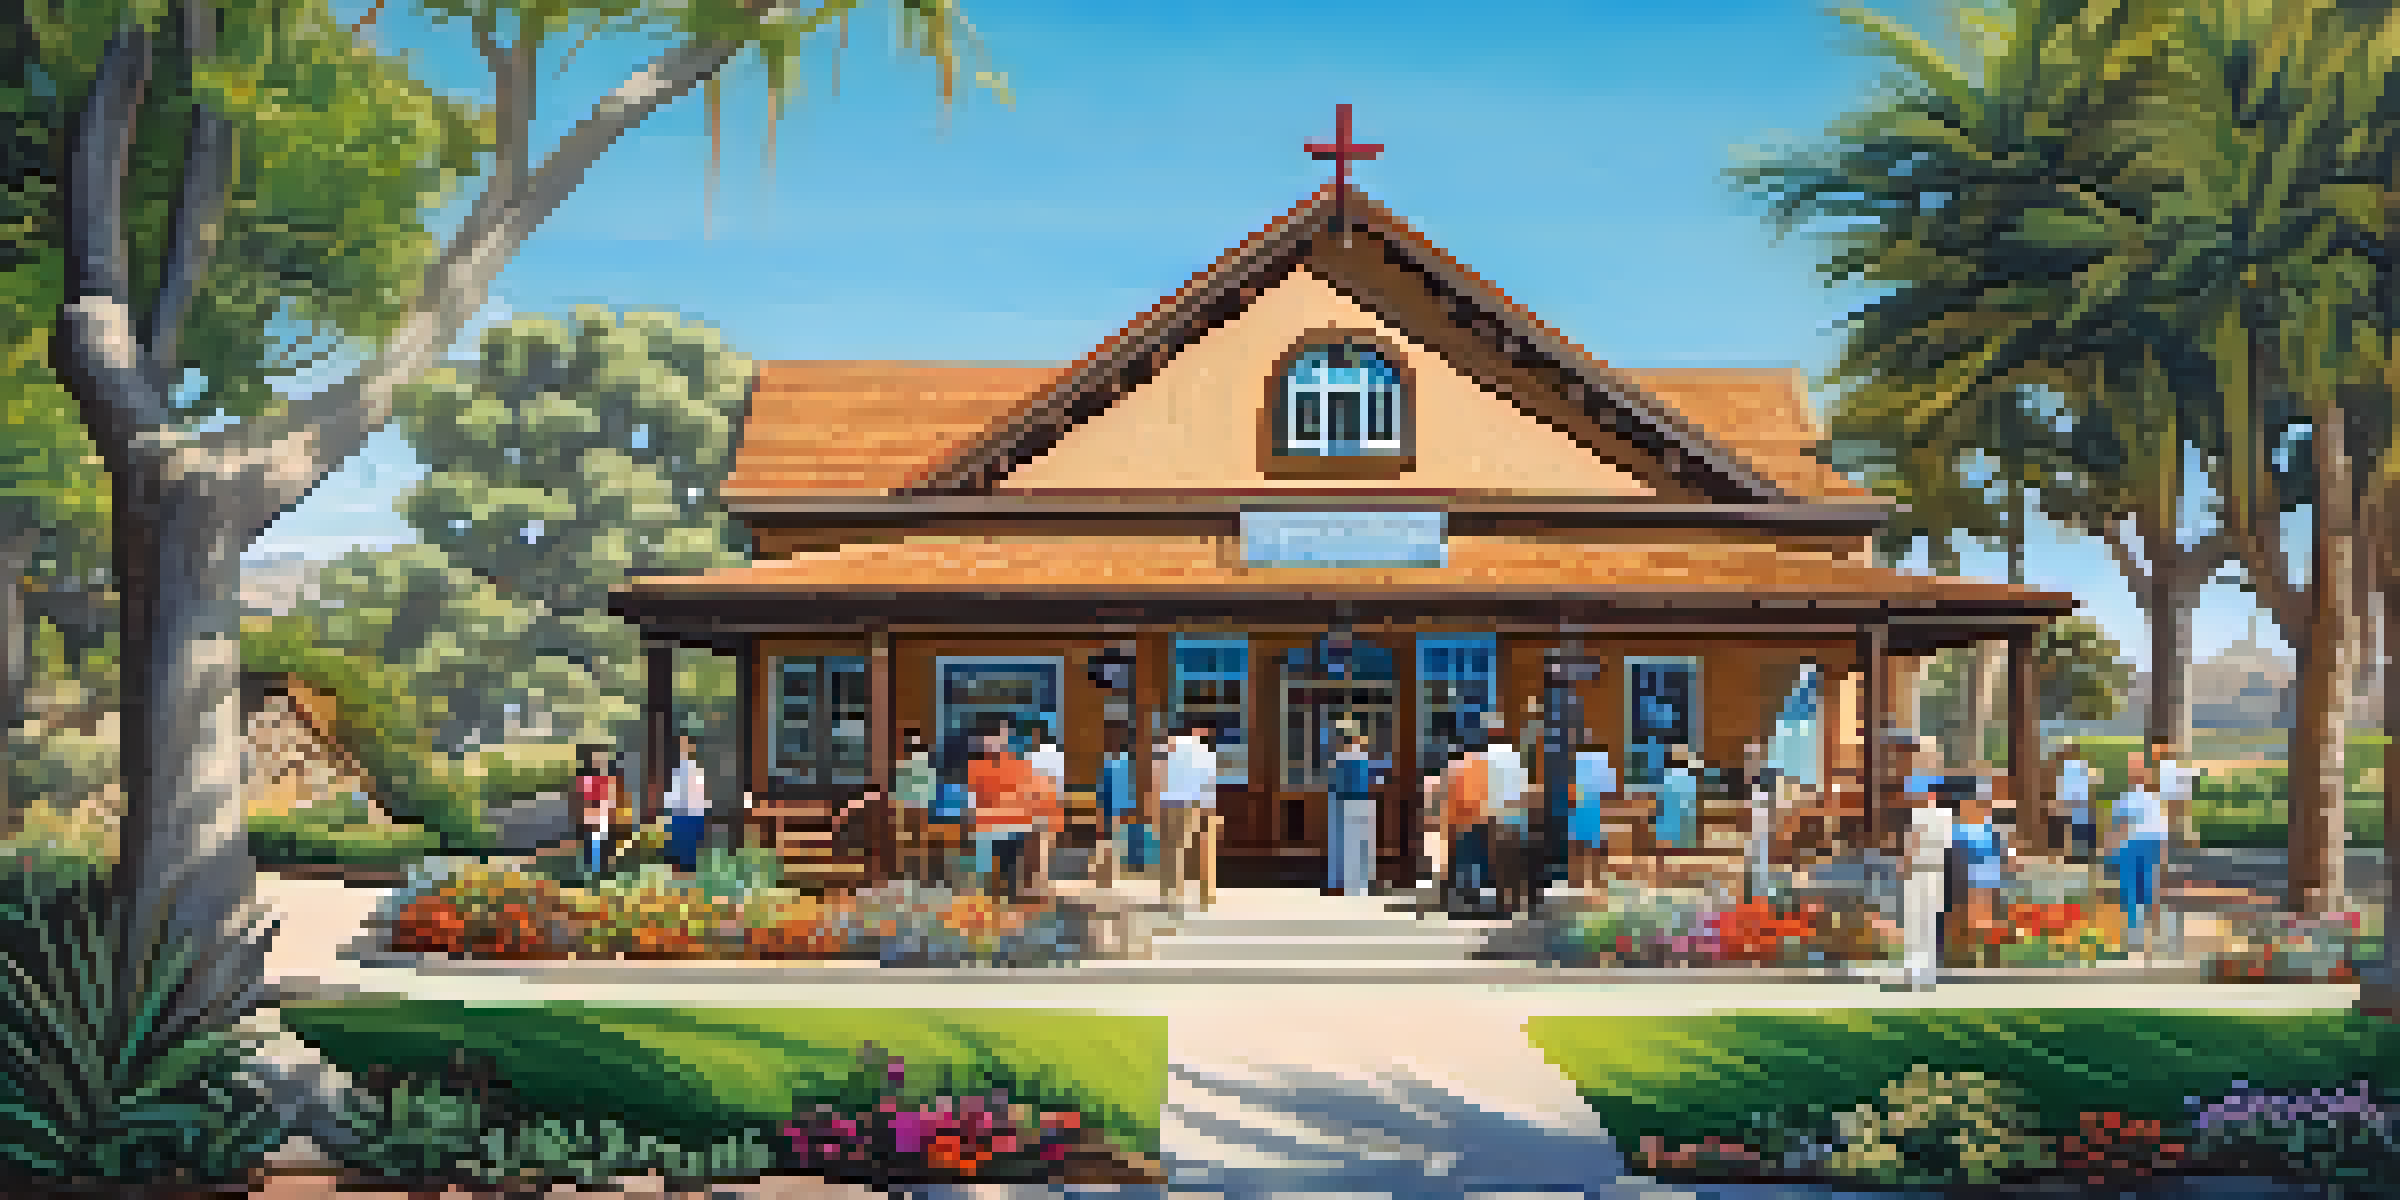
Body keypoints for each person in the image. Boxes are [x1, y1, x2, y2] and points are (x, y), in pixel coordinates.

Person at [1895, 741, 1953, 991]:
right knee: (1928, 922)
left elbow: (1913, 844)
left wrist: (1905, 865)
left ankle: (1915, 971)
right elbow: (1945, 847)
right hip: (1936, 872)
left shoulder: (1920, 815)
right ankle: (1926, 972)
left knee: (1916, 921)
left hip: (1920, 872)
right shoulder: (1945, 816)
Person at [965, 719, 1039, 901]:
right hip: (993, 825)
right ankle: (994, 891)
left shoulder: (1019, 765)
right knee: (990, 861)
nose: (993, 743)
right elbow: (976, 799)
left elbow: (1026, 795)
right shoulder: (977, 767)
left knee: (1010, 860)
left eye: (999, 738)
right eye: (989, 740)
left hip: (1012, 824)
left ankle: (1009, 891)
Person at [1951, 776, 2016, 965]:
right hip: (1971, 881)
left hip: (1990, 879)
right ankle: (1973, 949)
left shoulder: (1989, 830)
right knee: (1976, 914)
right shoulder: (1959, 831)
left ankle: (1988, 949)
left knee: (1987, 913)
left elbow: (2000, 852)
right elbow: (1959, 858)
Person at [2112, 751, 2171, 953]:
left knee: (2141, 888)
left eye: (2136, 767)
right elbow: (2119, 825)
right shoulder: (2141, 798)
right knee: (2139, 888)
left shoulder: (2145, 798)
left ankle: (2144, 933)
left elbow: (2120, 825)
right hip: (2138, 845)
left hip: (2140, 845)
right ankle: (2141, 933)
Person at [1159, 720, 1221, 909]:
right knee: (1205, 852)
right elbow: (1210, 783)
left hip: (1172, 804)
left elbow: (1159, 776)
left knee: (1173, 852)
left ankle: (1172, 897)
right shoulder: (1207, 753)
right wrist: (1212, 811)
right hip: (1199, 804)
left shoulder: (1171, 746)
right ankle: (1206, 896)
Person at [1484, 712, 1534, 915]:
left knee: (1500, 860)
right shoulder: (1514, 755)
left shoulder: (1490, 755)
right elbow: (1524, 785)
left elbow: (1488, 788)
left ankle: (1504, 901)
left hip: (1499, 814)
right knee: (1515, 858)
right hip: (1517, 813)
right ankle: (1519, 900)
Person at [1442, 726, 1494, 911]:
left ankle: (1464, 895)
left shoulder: (1458, 765)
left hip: (1464, 819)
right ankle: (1470, 895)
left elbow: (1454, 795)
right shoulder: (1480, 765)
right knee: (1473, 858)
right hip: (1474, 818)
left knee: (1466, 858)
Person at [1328, 729, 1385, 896]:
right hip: (1352, 805)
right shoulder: (1352, 759)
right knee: (1354, 845)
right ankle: (1354, 885)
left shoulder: (1349, 760)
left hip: (1354, 805)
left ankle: (1354, 884)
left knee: (1355, 845)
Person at [892, 726, 938, 882]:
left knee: (909, 839)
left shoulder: (910, 761)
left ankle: (913, 871)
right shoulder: (920, 759)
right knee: (914, 839)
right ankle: (917, 871)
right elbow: (929, 782)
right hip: (916, 803)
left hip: (912, 804)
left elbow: (903, 782)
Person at [1568, 735, 1613, 891]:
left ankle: (1578, 881)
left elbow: (1570, 789)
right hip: (1595, 811)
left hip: (1579, 810)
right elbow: (1610, 789)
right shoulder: (1602, 760)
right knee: (1594, 847)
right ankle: (1595, 882)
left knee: (1578, 846)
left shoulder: (1576, 760)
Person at [1651, 744, 1700, 887]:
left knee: (1677, 849)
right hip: (1671, 819)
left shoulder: (1686, 777)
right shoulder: (1670, 776)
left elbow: (1690, 802)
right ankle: (1669, 877)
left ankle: (1674, 877)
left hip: (1679, 820)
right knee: (1670, 849)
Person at [663, 734, 709, 873]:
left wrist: (702, 810)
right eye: (681, 746)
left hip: (691, 812)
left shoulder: (696, 769)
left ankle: (688, 870)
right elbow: (673, 791)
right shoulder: (675, 769)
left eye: (686, 746)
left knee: (689, 845)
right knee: (677, 843)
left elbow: (699, 791)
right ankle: (678, 869)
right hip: (679, 812)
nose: (683, 749)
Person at [574, 745, 619, 876]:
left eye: (603, 760)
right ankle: (591, 870)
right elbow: (583, 799)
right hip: (592, 815)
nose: (600, 763)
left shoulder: (609, 779)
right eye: (597, 760)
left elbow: (612, 798)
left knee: (604, 843)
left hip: (604, 816)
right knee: (592, 842)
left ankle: (602, 870)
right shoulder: (586, 779)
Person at [1744, 741, 1777, 903]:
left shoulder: (1769, 774)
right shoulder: (1752, 777)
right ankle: (1754, 890)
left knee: (1762, 850)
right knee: (1754, 851)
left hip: (1763, 812)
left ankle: (1762, 890)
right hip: (1757, 812)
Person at [2053, 742, 2095, 864]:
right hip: (2082, 805)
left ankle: (2074, 857)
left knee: (2071, 831)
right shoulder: (2082, 765)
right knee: (2081, 831)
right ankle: (2084, 856)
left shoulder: (2064, 767)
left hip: (2072, 805)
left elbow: (2062, 788)